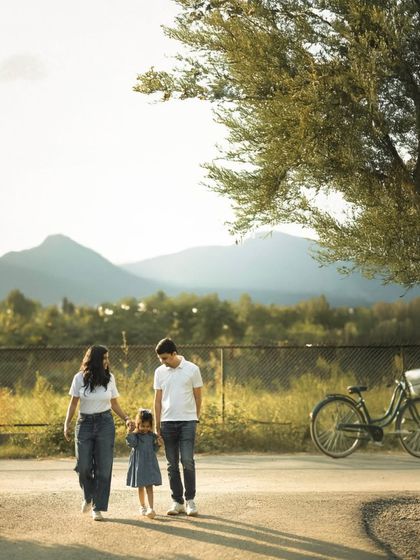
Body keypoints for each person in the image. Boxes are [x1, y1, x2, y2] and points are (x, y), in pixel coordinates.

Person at [64, 344, 133, 521]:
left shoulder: (110, 378)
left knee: (104, 468)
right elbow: (73, 403)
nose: (106, 361)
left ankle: (98, 507)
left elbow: (114, 403)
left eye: (107, 358)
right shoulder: (79, 378)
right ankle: (88, 496)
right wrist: (67, 424)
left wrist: (126, 418)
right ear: (94, 359)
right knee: (84, 465)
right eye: (103, 358)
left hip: (105, 423)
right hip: (84, 424)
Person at [154, 338, 203, 516]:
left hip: (188, 422)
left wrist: (195, 418)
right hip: (167, 423)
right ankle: (177, 501)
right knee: (171, 464)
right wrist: (156, 426)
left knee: (187, 461)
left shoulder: (192, 369)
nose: (163, 362)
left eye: (165, 358)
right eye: (160, 359)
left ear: (174, 353)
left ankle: (190, 500)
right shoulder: (159, 372)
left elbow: (198, 397)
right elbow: (157, 401)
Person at [126, 408, 162, 519]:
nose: (145, 429)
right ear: (138, 424)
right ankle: (142, 506)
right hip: (139, 463)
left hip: (150, 463)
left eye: (148, 426)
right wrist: (130, 432)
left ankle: (151, 508)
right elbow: (131, 443)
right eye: (143, 426)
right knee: (140, 486)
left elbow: (154, 450)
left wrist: (159, 444)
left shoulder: (152, 436)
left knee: (149, 486)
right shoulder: (135, 436)